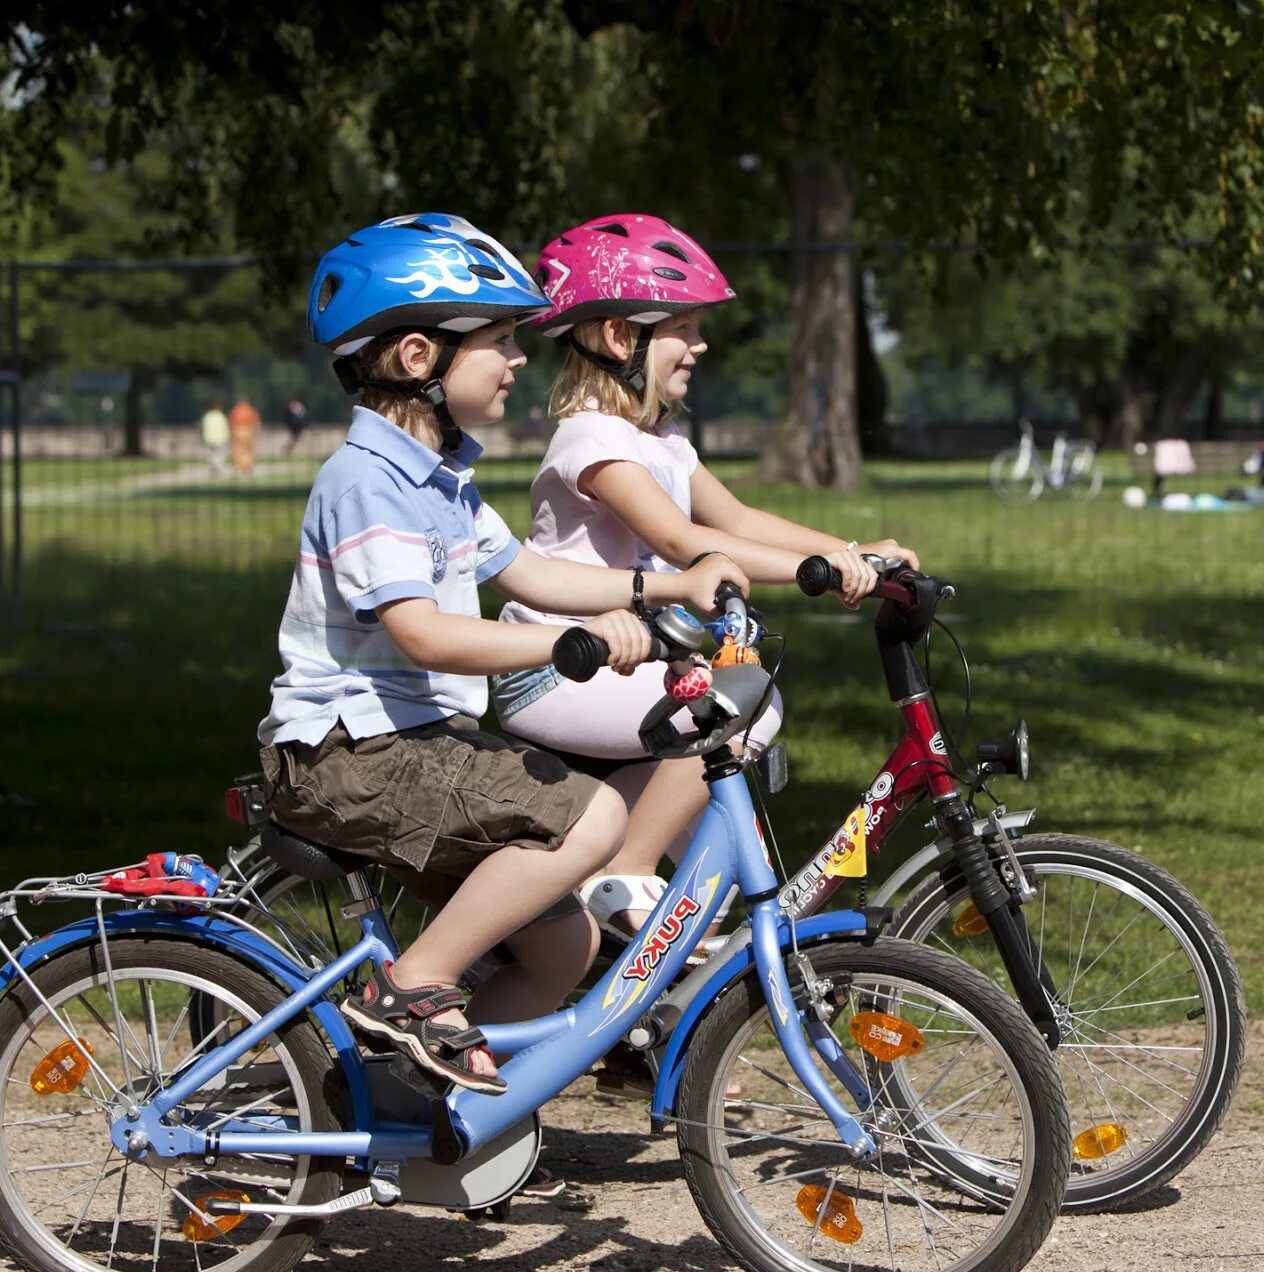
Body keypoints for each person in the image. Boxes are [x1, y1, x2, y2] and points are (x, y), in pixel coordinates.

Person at [257, 213, 747, 1096]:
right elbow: (426, 633)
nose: (521, 359)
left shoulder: (440, 475)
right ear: (420, 359)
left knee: (566, 941)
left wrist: (664, 589)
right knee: (595, 817)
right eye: (498, 342)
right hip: (346, 754)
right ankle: (408, 986)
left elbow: (526, 568)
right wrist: (571, 647)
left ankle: (433, 1116)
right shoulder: (368, 478)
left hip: (411, 742)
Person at [493, 213, 915, 946]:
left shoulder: (663, 443)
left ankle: (653, 1024)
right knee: (745, 702)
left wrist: (854, 553)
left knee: (708, 890)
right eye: (682, 327)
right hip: (557, 670)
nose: (701, 343)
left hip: (627, 667)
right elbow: (682, 539)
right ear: (623, 338)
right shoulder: (591, 440)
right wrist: (816, 576)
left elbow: (741, 520)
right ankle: (619, 865)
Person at [229, 396, 260, 474]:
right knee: (248, 449)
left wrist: (231, 432)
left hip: (237, 431)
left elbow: (231, 422)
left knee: (237, 449)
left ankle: (238, 466)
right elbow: (255, 421)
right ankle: (248, 466)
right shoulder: (250, 409)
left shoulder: (235, 410)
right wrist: (256, 432)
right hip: (248, 431)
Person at [199, 400, 229, 473]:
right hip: (220, 438)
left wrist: (202, 437)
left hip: (209, 438)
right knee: (219, 454)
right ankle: (217, 466)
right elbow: (225, 427)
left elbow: (202, 427)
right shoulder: (221, 416)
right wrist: (227, 437)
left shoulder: (207, 416)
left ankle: (214, 466)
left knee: (211, 454)